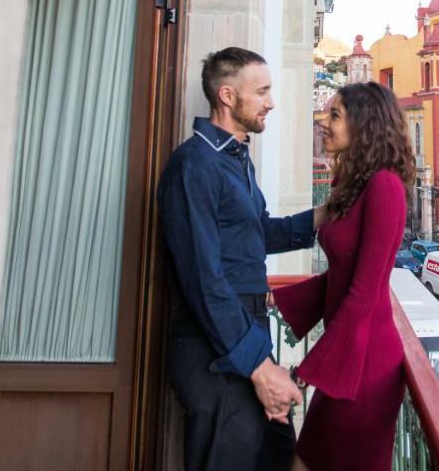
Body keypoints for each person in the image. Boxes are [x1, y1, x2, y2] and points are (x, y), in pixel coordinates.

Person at [159, 47, 325, 471]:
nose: (271, 102)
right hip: (213, 351)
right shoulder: (194, 164)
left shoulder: (235, 160)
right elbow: (204, 279)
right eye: (262, 91)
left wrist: (327, 213)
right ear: (228, 96)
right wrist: (259, 366)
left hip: (244, 337)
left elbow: (258, 232)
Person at [273, 82, 414, 471]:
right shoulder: (355, 186)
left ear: (364, 124)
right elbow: (342, 273)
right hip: (348, 359)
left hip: (366, 368)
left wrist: (305, 373)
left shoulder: (384, 187)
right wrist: (278, 299)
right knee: (305, 460)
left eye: (334, 115)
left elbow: (364, 292)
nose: (325, 123)